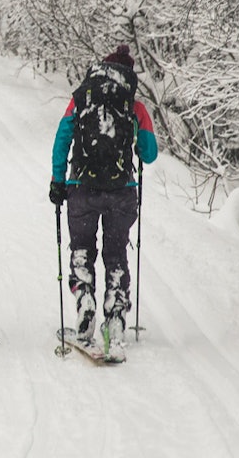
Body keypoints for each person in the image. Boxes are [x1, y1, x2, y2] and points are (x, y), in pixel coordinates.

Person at [49, 44, 158, 358]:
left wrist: (58, 181)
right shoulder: (133, 105)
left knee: (82, 249)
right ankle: (116, 319)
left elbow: (62, 139)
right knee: (115, 253)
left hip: (81, 188)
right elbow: (149, 155)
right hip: (121, 191)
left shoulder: (81, 97)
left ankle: (85, 303)